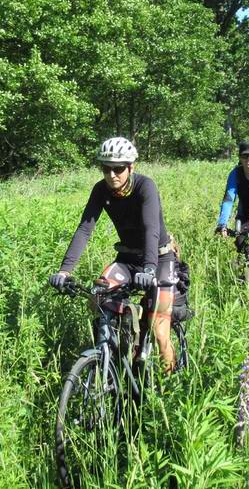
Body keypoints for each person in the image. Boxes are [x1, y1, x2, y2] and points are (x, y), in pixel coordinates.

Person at [48, 137, 178, 372]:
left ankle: (169, 385)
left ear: (131, 167)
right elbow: (85, 228)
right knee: (97, 297)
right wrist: (65, 270)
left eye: (118, 169)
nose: (112, 175)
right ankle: (111, 356)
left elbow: (151, 229)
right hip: (127, 260)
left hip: (158, 258)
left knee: (159, 330)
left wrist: (149, 267)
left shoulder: (145, 187)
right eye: (106, 169)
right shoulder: (101, 190)